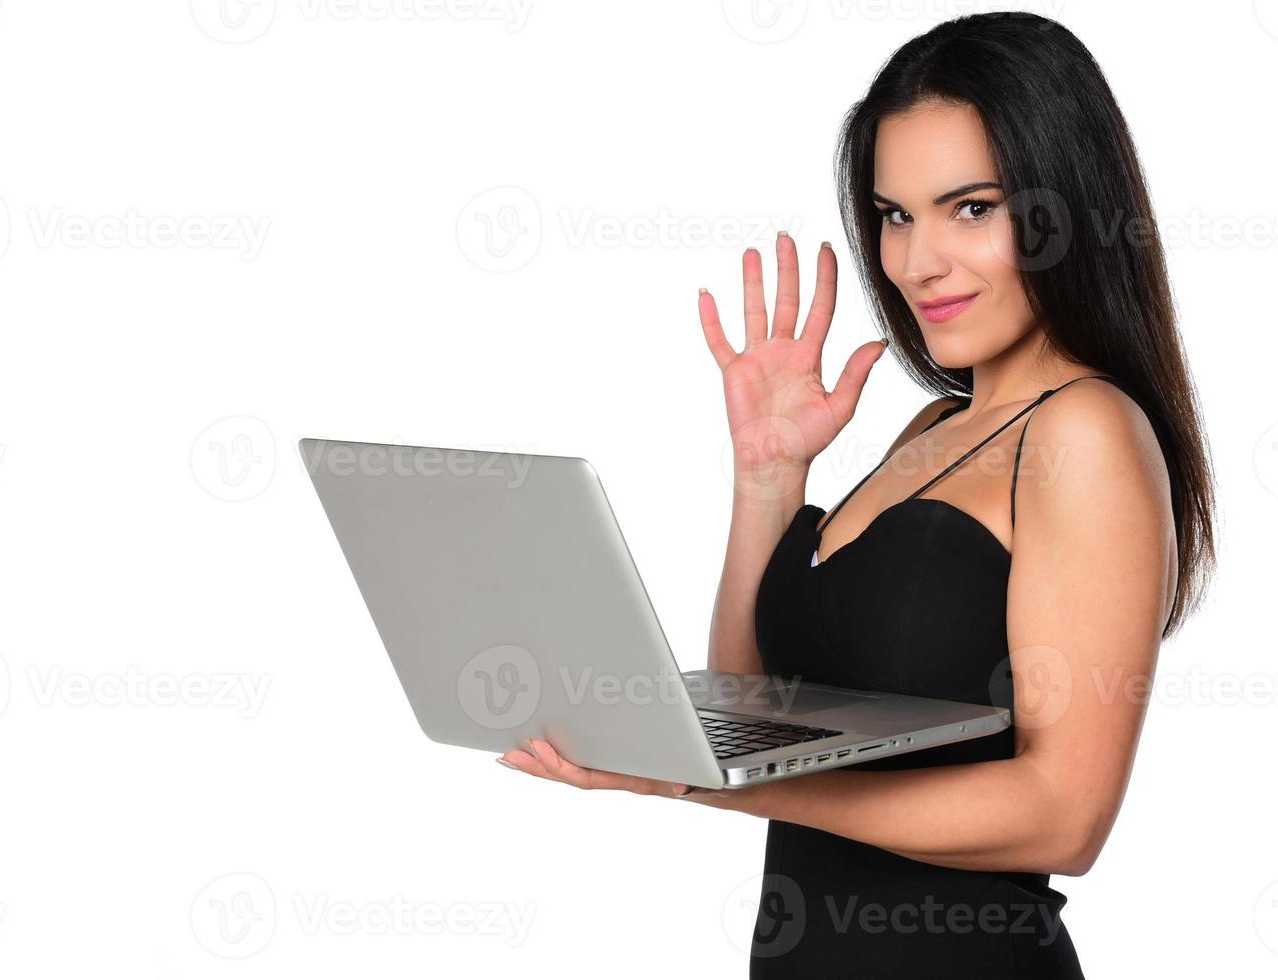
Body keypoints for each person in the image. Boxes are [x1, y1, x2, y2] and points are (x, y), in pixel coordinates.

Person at [497, 12, 1216, 976]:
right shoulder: (931, 431)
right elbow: (758, 700)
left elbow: (1062, 817)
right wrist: (768, 475)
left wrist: (711, 789)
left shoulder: (1082, 432)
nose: (918, 262)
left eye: (969, 208)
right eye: (894, 214)